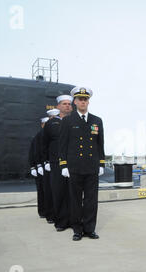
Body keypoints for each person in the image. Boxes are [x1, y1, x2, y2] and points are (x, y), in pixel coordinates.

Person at [59, 87, 105, 241]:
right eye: (80, 99)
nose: (83, 102)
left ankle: (90, 229)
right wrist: (63, 165)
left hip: (91, 167)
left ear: (88, 102)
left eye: (85, 99)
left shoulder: (96, 120)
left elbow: (100, 144)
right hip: (75, 167)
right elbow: (62, 145)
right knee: (76, 200)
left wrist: (101, 164)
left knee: (91, 200)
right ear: (75, 102)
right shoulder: (67, 121)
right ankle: (77, 230)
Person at [43, 95, 73, 231]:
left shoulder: (75, 121)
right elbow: (44, 144)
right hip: (56, 163)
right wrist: (46, 161)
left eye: (69, 104)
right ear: (58, 106)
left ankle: (74, 220)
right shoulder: (51, 123)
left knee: (73, 194)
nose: (67, 106)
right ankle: (61, 221)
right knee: (59, 192)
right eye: (64, 104)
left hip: (72, 163)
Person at [29, 117, 49, 218]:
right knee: (42, 191)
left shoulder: (49, 136)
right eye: (45, 124)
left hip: (48, 167)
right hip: (40, 168)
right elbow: (34, 153)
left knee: (48, 191)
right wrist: (34, 166)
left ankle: (49, 211)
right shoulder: (38, 136)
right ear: (42, 125)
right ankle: (43, 212)